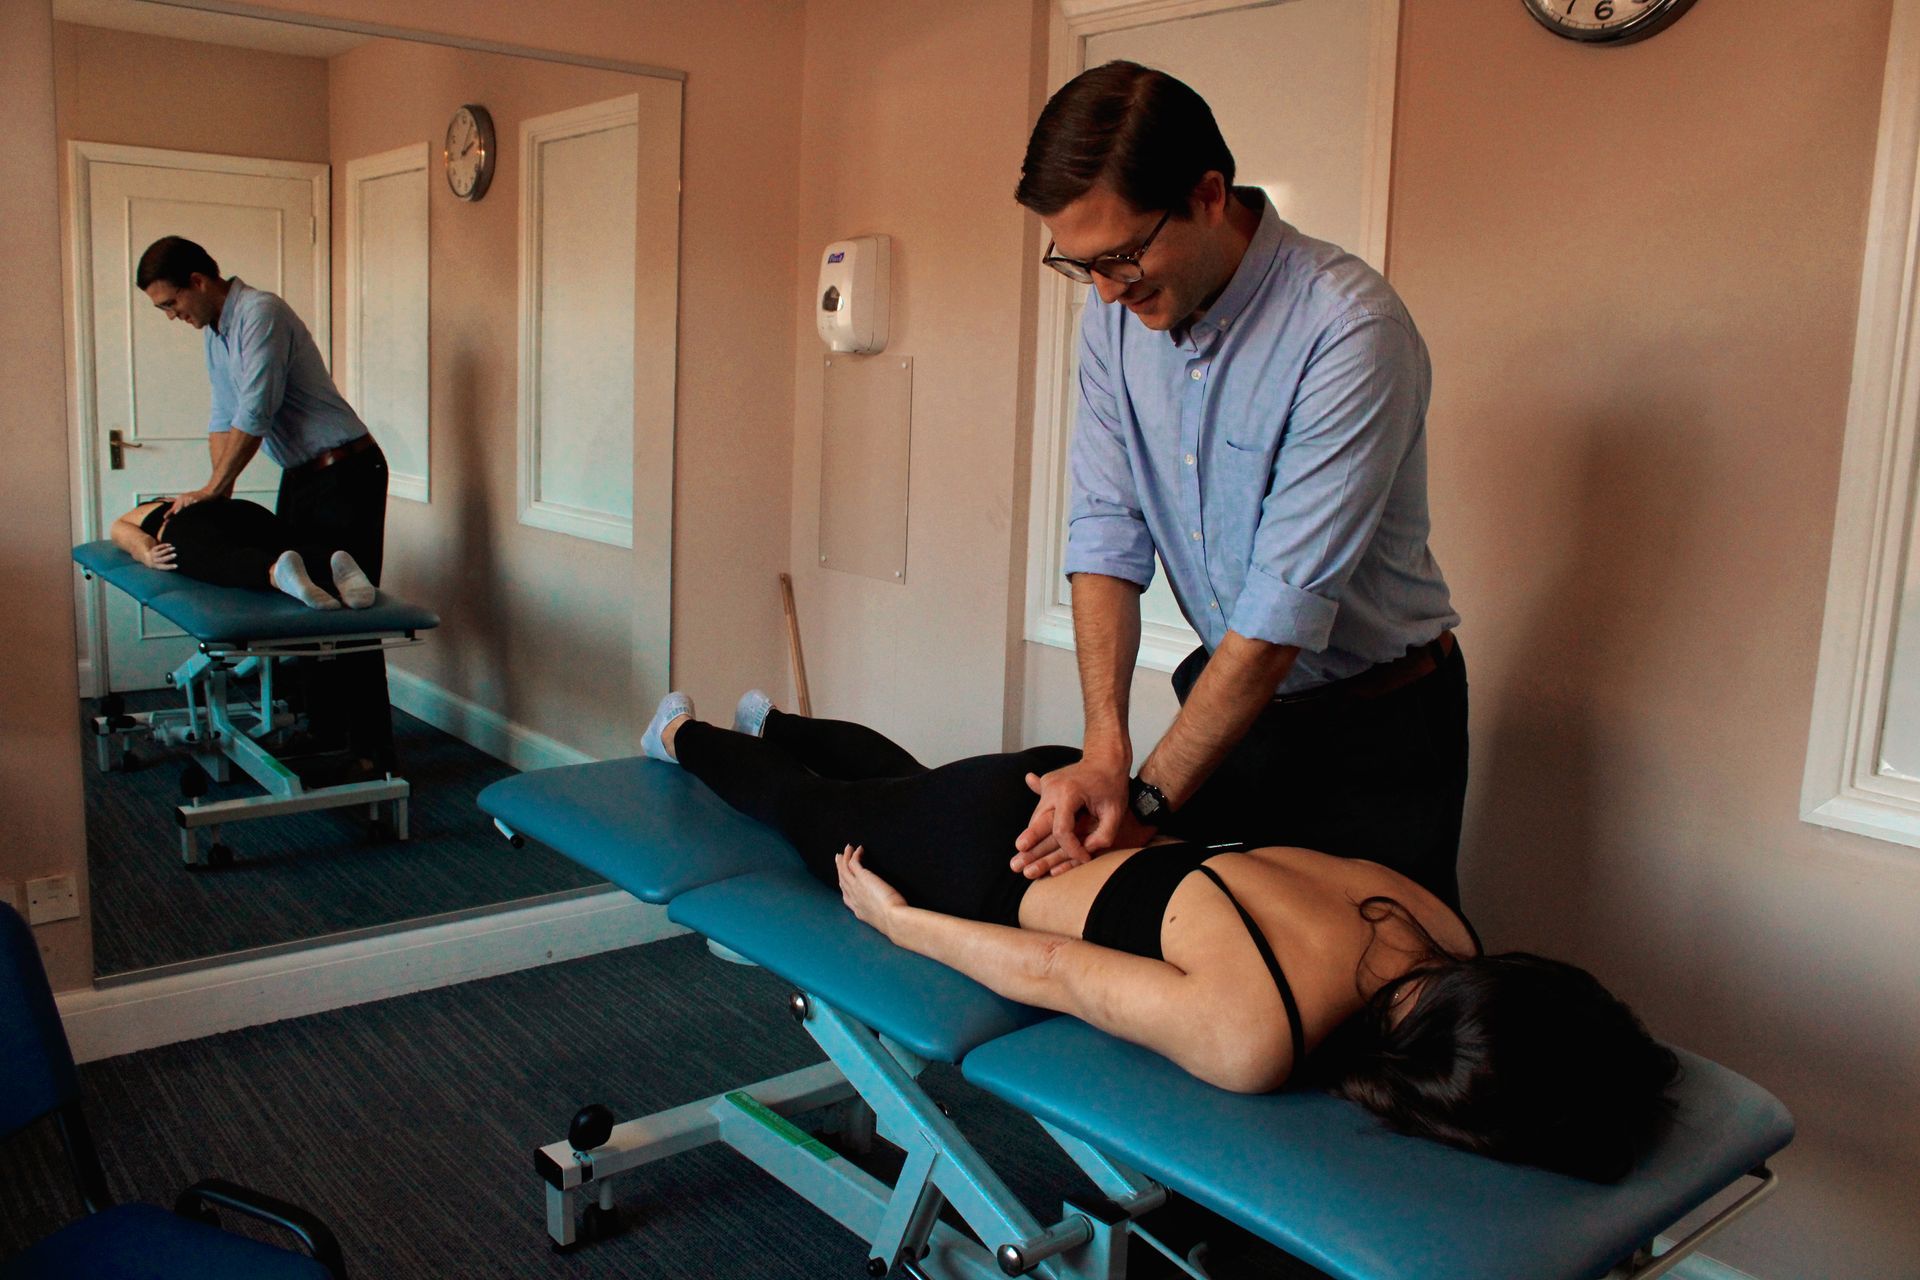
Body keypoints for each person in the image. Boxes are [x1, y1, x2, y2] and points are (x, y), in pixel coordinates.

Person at [640, 692, 1677, 1182]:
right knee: (809, 815)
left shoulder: (1440, 921)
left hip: (1067, 797)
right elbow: (1052, 971)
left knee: (902, 778)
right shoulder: (1255, 1032)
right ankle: (683, 734)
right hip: (984, 860)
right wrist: (905, 924)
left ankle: (775, 714)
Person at [1009, 63, 1467, 908]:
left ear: (1209, 193)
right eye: (1081, 267)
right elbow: (1107, 531)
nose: (1107, 292)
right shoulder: (1116, 318)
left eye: (1120, 256)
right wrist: (1106, 750)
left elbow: (1274, 620)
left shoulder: (1349, 331)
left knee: (1376, 999)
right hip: (1232, 706)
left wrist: (1146, 800)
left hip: (1375, 726)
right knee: (1204, 957)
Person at [135, 236, 394, 774]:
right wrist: (217, 490)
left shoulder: (261, 313)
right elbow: (222, 414)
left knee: (353, 607)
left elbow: (256, 409)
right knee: (308, 600)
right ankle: (323, 732)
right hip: (302, 475)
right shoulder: (215, 333)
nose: (172, 316)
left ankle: (372, 751)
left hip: (347, 469)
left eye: (171, 304)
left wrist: (213, 490)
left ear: (199, 283)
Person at [109, 497, 378, 611]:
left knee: (222, 560)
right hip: (241, 510)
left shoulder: (153, 512)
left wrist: (146, 552)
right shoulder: (194, 497)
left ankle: (274, 574)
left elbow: (119, 529)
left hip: (188, 526)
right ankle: (332, 566)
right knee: (284, 543)